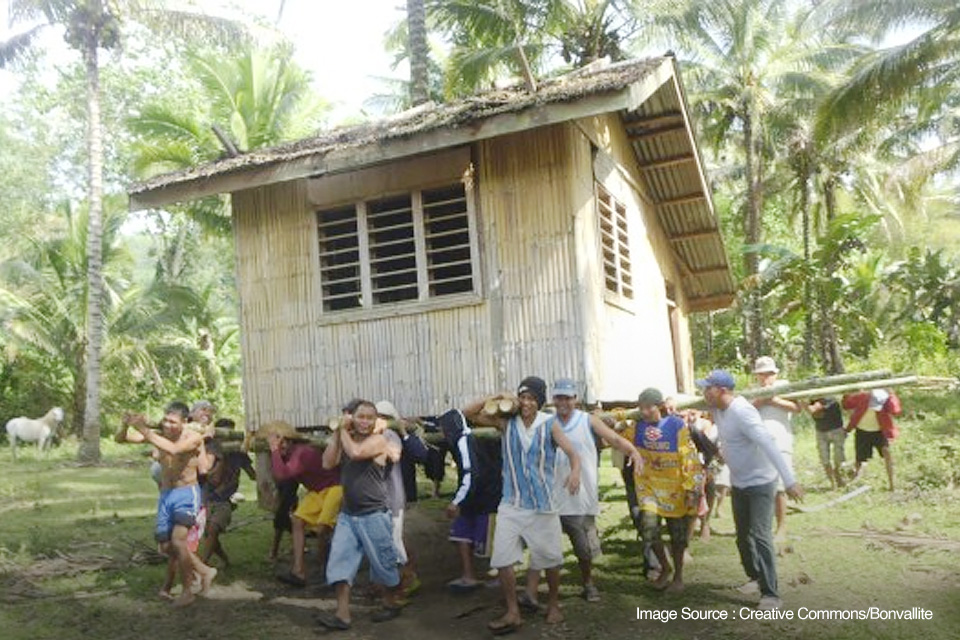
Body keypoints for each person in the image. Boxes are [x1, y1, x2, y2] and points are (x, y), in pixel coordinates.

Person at [463, 376, 581, 635]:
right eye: (523, 397)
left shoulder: (549, 425)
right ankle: (513, 611)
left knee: (550, 560)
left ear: (539, 401)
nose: (526, 403)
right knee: (503, 558)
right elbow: (468, 413)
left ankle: (553, 604)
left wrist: (574, 472)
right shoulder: (506, 422)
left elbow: (573, 453)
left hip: (543, 505)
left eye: (531, 398)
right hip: (511, 503)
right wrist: (495, 397)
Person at [524, 378, 643, 603]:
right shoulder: (546, 423)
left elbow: (614, 439)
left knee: (582, 547)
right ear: (553, 400)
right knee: (541, 542)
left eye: (567, 398)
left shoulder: (587, 421)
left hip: (579, 495)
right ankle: (532, 591)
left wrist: (633, 451)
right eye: (559, 398)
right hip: (551, 494)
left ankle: (588, 582)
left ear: (575, 400)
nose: (563, 402)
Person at [697, 369, 803, 610]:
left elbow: (768, 443)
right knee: (743, 536)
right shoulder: (717, 409)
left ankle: (771, 594)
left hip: (761, 482)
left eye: (707, 388)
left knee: (760, 535)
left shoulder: (743, 412)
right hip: (740, 482)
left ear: (722, 390)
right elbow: (694, 409)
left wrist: (789, 481)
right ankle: (754, 577)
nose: (704, 393)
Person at [317, 399, 404, 630]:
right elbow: (327, 463)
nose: (364, 421)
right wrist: (337, 433)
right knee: (340, 562)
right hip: (348, 514)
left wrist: (342, 429)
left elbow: (356, 453)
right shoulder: (346, 439)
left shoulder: (379, 439)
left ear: (375, 420)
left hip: (374, 513)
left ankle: (390, 603)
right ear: (352, 418)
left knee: (383, 564)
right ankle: (342, 615)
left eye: (369, 417)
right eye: (360, 417)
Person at [125, 401, 218, 607]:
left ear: (185, 422)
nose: (168, 425)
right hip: (166, 495)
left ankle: (187, 591)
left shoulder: (193, 438)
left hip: (187, 494)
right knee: (166, 547)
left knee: (178, 541)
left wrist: (144, 430)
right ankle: (203, 571)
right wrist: (126, 425)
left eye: (173, 422)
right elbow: (122, 439)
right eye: (165, 420)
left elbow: (175, 450)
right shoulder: (161, 436)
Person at [622, 388, 702, 594]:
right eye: (641, 408)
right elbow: (616, 437)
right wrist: (619, 419)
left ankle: (678, 577)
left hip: (675, 489)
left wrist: (691, 486)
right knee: (648, 529)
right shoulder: (637, 426)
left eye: (648, 407)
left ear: (659, 406)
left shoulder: (676, 425)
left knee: (678, 536)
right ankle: (664, 567)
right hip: (649, 488)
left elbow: (689, 456)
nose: (645, 412)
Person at [268, 420, 342, 587]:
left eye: (285, 441)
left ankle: (327, 572)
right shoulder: (286, 455)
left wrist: (274, 450)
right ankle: (298, 571)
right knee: (297, 520)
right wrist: (275, 452)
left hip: (335, 487)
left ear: (292, 441)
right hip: (317, 491)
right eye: (279, 442)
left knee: (324, 528)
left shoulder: (303, 453)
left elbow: (282, 474)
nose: (282, 445)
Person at [438, 408, 502, 591]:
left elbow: (470, 473)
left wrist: (457, 501)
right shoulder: (464, 440)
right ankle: (468, 575)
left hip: (486, 497)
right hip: (473, 497)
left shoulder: (464, 441)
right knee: (461, 534)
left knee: (491, 541)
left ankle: (501, 575)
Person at [751, 356, 800, 541]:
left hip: (781, 440)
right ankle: (764, 527)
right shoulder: (754, 391)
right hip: (760, 443)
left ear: (775, 374)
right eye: (762, 374)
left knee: (780, 486)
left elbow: (797, 408)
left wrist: (773, 400)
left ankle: (782, 528)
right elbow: (747, 410)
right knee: (763, 485)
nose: (765, 378)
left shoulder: (784, 386)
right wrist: (761, 400)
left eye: (769, 374)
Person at [201, 418, 256, 567]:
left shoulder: (238, 453)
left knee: (212, 530)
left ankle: (201, 564)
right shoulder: (209, 451)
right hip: (206, 497)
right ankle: (225, 561)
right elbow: (210, 477)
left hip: (224, 500)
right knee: (209, 534)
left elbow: (253, 474)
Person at [842, 388, 901, 491]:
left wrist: (891, 395)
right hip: (862, 431)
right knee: (860, 459)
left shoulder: (886, 399)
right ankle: (853, 481)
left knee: (887, 454)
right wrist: (847, 394)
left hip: (879, 432)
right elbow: (847, 405)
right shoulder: (862, 397)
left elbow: (895, 410)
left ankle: (892, 484)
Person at [807, 396, 847, 488]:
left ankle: (837, 475)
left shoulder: (829, 399)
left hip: (836, 430)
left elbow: (815, 411)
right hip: (821, 431)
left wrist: (802, 402)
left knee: (839, 456)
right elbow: (815, 413)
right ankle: (833, 484)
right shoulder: (813, 400)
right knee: (824, 458)